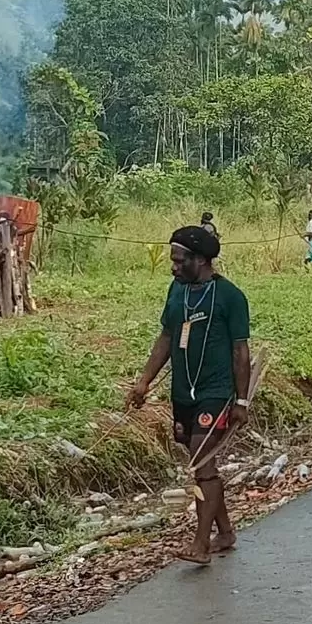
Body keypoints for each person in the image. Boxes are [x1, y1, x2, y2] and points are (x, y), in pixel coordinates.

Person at [127, 226, 251, 565]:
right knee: (201, 463)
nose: (174, 267)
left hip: (217, 393)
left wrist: (241, 401)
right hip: (183, 393)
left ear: (201, 260)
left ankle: (201, 544)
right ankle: (225, 531)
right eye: (173, 261)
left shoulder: (230, 297)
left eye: (180, 261)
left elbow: (241, 352)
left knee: (201, 462)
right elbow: (167, 336)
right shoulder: (177, 292)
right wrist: (144, 382)